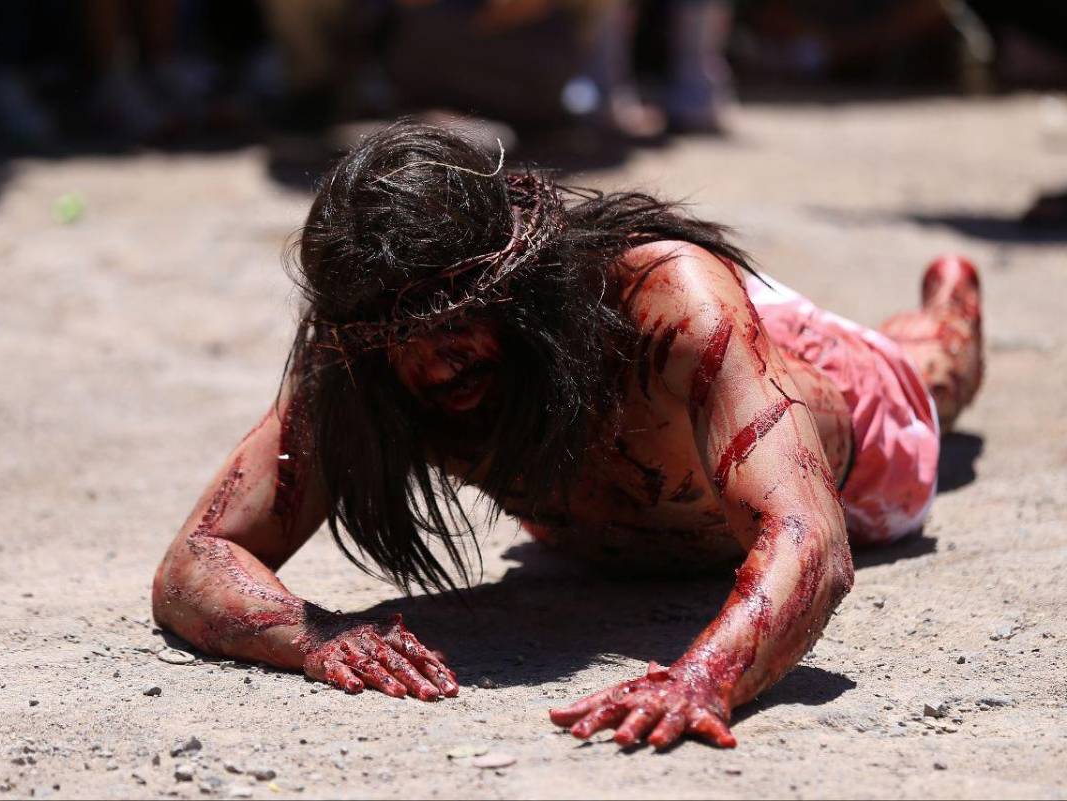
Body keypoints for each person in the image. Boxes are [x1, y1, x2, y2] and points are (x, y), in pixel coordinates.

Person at [152, 123, 983, 749]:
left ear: (520, 279)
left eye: (453, 314)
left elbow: (809, 539)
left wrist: (705, 677)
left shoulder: (665, 304)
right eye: (395, 334)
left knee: (932, 370)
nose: (433, 359)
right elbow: (194, 562)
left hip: (842, 416)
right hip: (619, 517)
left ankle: (950, 308)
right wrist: (314, 635)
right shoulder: (359, 361)